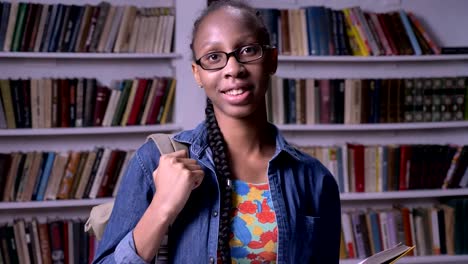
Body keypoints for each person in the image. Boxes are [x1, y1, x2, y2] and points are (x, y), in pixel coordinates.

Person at [93, 1, 341, 263]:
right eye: (213, 57)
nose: (233, 69)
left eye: (247, 50)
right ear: (197, 74)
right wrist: (162, 208)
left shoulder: (314, 179)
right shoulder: (155, 161)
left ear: (272, 60)